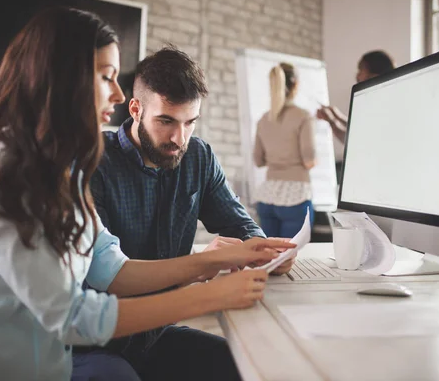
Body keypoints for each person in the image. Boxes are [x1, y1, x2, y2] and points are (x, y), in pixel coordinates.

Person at [0, 8, 294, 381]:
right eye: (106, 77)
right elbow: (73, 317)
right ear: (62, 81)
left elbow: (113, 269)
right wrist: (213, 294)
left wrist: (221, 259)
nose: (116, 93)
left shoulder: (59, 170)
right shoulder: (0, 174)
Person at [75, 46, 296, 381]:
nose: (179, 138)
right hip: (93, 342)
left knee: (245, 365)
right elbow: (107, 281)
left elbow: (239, 222)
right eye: (166, 121)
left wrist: (264, 250)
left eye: (189, 122)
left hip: (154, 333)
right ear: (135, 109)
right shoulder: (94, 163)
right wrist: (204, 266)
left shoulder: (198, 156)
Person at [252, 62, 316, 238]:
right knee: (293, 257)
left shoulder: (263, 119)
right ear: (295, 84)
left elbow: (258, 161)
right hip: (296, 197)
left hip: (268, 196)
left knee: (268, 256)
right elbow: (309, 160)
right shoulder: (303, 116)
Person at [317, 50, 395, 142]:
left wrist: (331, 121)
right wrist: (338, 117)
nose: (357, 75)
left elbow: (355, 141)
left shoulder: (381, 104)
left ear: (374, 76)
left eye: (360, 70)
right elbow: (360, 129)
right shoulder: (387, 98)